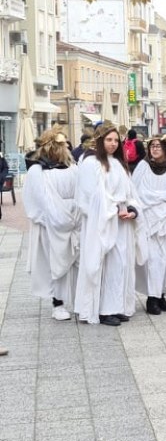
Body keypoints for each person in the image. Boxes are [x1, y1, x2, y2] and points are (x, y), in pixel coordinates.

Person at [74, 123, 147, 326]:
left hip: (122, 224)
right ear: (99, 141)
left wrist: (132, 210)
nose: (113, 144)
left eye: (116, 140)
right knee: (105, 265)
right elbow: (89, 197)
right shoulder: (90, 163)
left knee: (121, 265)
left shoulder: (118, 164)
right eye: (109, 140)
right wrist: (113, 210)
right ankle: (104, 310)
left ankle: (117, 305)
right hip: (103, 224)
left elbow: (131, 192)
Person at [23, 128, 81, 321]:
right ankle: (58, 303)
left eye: (63, 145)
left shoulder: (73, 168)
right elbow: (38, 201)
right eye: (57, 145)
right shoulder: (37, 171)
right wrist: (56, 218)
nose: (61, 149)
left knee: (73, 264)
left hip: (73, 221)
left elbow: (81, 193)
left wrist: (74, 214)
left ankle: (76, 300)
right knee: (54, 264)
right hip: (50, 225)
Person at [133, 136, 166, 315]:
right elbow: (137, 193)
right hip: (150, 221)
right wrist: (164, 197)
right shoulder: (143, 167)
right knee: (153, 260)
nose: (154, 149)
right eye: (152, 146)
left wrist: (158, 199)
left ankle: (162, 294)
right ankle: (152, 298)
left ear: (165, 148)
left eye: (158, 146)